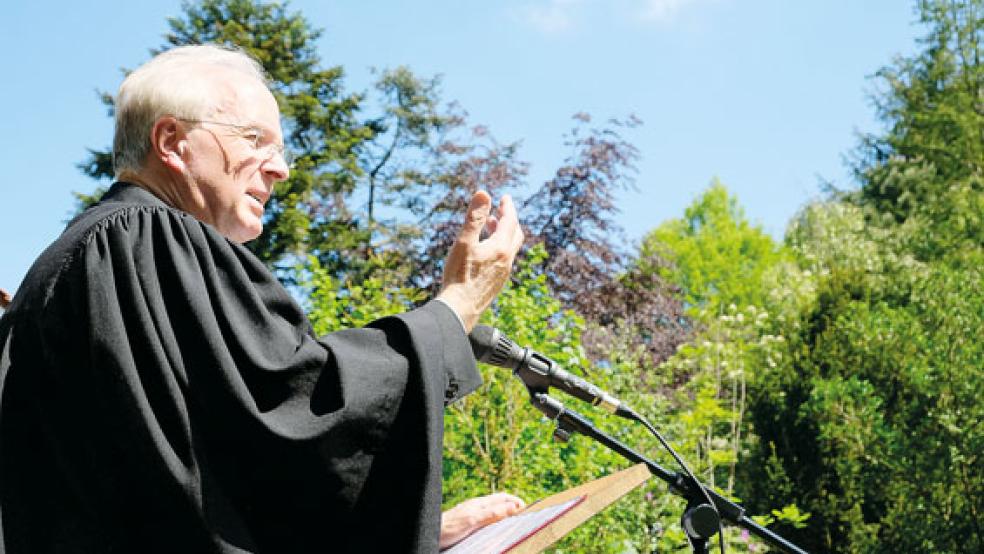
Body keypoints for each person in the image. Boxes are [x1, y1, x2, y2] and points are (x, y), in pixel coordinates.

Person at [0, 45, 524, 553]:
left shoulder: (76, 266)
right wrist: (454, 310)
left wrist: (427, 532)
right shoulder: (149, 235)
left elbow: (210, 481)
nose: (280, 169)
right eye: (255, 140)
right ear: (171, 142)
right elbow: (296, 414)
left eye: (280, 150)